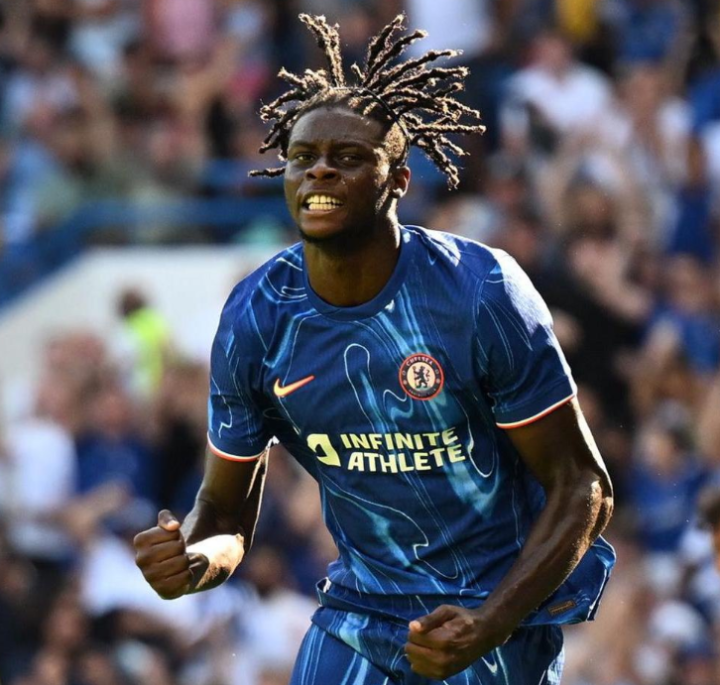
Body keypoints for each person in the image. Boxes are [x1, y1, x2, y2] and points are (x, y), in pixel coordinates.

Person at [133, 14, 615, 684]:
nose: (319, 170)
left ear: (399, 180)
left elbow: (582, 486)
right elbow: (223, 513)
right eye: (303, 157)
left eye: (349, 157)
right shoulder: (257, 316)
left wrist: (492, 621)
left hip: (490, 619)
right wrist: (194, 559)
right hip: (357, 614)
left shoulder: (479, 291)